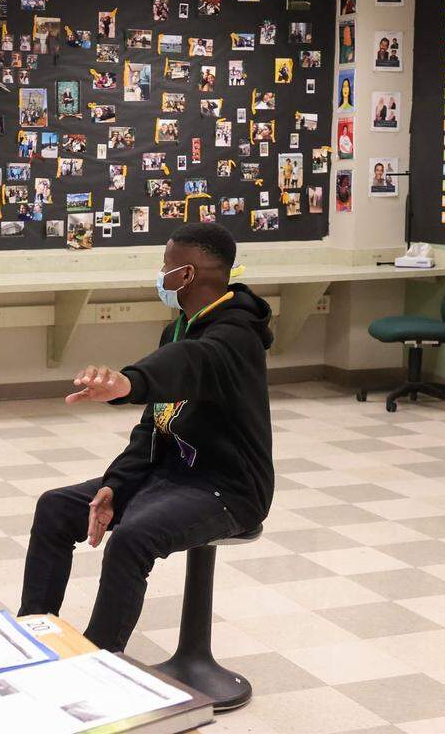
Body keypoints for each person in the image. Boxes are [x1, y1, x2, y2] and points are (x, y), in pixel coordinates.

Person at [18, 224, 274, 652]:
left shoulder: (236, 336)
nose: (160, 273)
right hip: (167, 476)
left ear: (186, 275)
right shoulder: (178, 328)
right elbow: (153, 427)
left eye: (165, 265)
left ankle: (98, 660)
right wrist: (115, 484)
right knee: (56, 507)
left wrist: (129, 382)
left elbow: (191, 361)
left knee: (132, 537)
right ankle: (32, 635)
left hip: (228, 489)